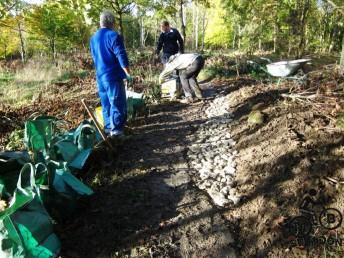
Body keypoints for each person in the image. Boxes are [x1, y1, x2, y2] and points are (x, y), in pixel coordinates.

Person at [90, 11, 132, 137]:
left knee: (106, 103)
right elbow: (121, 55)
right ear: (112, 22)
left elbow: (94, 57)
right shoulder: (114, 36)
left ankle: (108, 128)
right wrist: (128, 73)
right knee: (117, 103)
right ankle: (117, 132)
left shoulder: (93, 38)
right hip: (113, 76)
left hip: (100, 76)